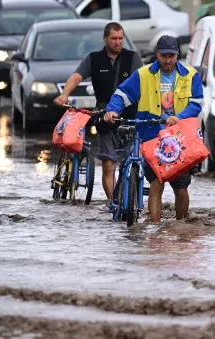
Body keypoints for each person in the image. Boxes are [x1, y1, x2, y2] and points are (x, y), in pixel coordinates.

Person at [104, 35, 204, 223]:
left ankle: (180, 227)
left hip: (180, 139)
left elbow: (196, 103)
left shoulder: (191, 75)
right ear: (157, 54)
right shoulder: (143, 75)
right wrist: (112, 111)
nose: (167, 61)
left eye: (171, 56)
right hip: (151, 138)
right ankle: (156, 228)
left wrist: (179, 117)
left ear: (177, 55)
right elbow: (122, 94)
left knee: (181, 188)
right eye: (164, 55)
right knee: (156, 184)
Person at [54, 22, 143, 208]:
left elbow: (142, 83)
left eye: (120, 38)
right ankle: (114, 204)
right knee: (108, 164)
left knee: (132, 163)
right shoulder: (94, 59)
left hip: (129, 117)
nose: (118, 42)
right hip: (104, 117)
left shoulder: (133, 58)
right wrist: (64, 95)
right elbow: (77, 77)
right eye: (113, 38)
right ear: (105, 38)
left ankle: (131, 202)